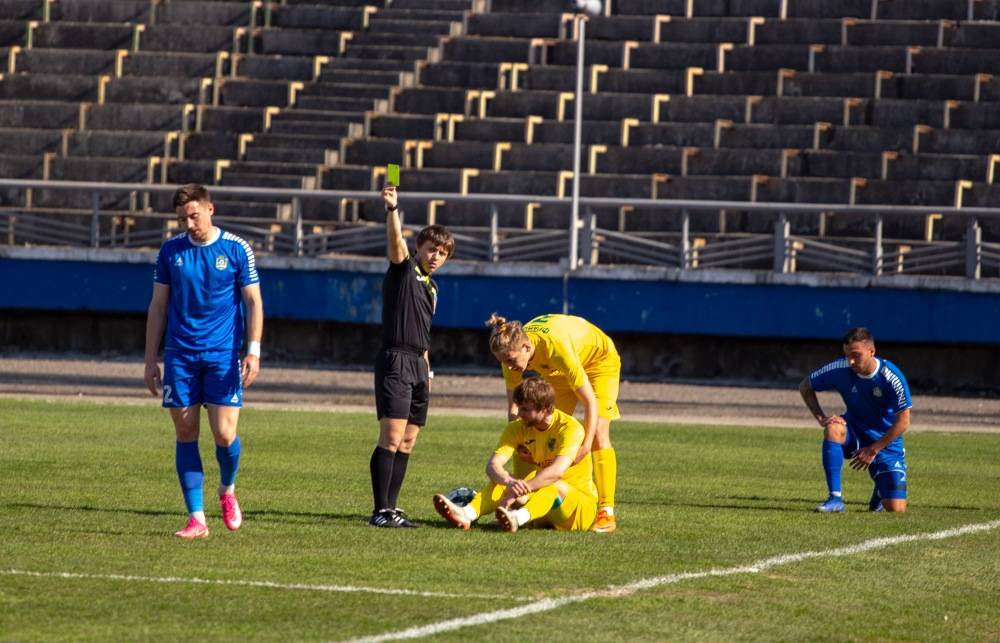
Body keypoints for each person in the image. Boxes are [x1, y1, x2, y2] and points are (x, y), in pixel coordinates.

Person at [144, 184, 264, 539]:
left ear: (210, 209)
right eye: (182, 219)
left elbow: (254, 302)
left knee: (225, 435)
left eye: (194, 215)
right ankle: (197, 518)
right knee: (185, 432)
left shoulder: (237, 249)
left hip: (222, 355)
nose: (189, 223)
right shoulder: (170, 252)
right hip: (180, 355)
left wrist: (253, 350)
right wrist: (151, 358)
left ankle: (227, 491)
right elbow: (158, 306)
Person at [485, 312, 620, 532]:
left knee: (597, 434)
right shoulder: (510, 352)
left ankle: (606, 512)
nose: (508, 366)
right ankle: (526, 500)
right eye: (503, 362)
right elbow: (515, 411)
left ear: (526, 348)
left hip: (599, 362)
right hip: (559, 370)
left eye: (510, 360)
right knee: (540, 427)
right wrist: (522, 443)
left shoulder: (556, 347)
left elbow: (589, 402)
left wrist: (585, 445)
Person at [369, 184, 454, 528]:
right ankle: (380, 510)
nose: (435, 256)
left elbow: (425, 335)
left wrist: (428, 372)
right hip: (396, 360)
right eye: (431, 249)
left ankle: (393, 506)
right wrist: (392, 211)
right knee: (391, 436)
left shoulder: (432, 287)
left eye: (442, 253)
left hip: (419, 364)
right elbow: (395, 245)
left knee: (408, 440)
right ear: (419, 248)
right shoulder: (403, 271)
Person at [433, 377, 597, 532]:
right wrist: (509, 482)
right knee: (501, 481)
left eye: (525, 409)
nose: (518, 414)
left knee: (552, 485)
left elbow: (556, 472)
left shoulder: (569, 428)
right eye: (518, 407)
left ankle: (516, 518)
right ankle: (467, 514)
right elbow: (492, 466)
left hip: (579, 511)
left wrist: (518, 491)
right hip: (540, 506)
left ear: (545, 409)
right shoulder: (517, 428)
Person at [799, 327, 911, 513]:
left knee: (896, 509)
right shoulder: (841, 368)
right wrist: (821, 418)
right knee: (833, 428)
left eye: (856, 355)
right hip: (855, 430)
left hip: (885, 442)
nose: (850, 361)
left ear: (871, 351)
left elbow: (903, 422)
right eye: (847, 355)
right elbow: (805, 386)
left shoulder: (891, 377)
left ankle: (880, 492)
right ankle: (835, 499)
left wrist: (874, 449)